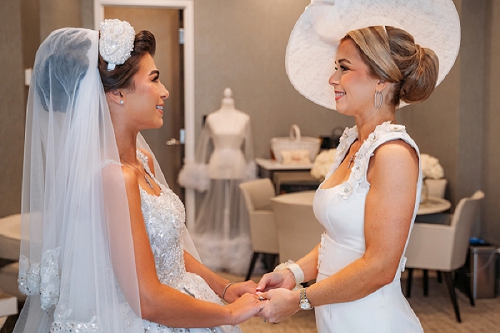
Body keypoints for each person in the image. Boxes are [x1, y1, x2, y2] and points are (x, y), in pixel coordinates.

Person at [14, 19, 264, 333]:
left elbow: (166, 248)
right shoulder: (114, 178)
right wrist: (229, 314)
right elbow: (147, 300)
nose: (165, 91)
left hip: (183, 297)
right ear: (118, 93)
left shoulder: (141, 160)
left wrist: (224, 288)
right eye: (154, 79)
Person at [255, 0, 460, 332]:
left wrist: (300, 299)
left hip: (372, 320)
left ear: (380, 78)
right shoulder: (353, 143)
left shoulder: (392, 154)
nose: (332, 79)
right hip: (337, 316)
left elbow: (380, 267)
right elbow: (339, 244)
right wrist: (292, 273)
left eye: (344, 68)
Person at [179, 88, 256, 275]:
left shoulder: (244, 118)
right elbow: (204, 146)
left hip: (237, 165)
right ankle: (215, 256)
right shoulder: (212, 118)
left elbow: (248, 149)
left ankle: (234, 256)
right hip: (217, 165)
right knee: (216, 209)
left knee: (235, 210)